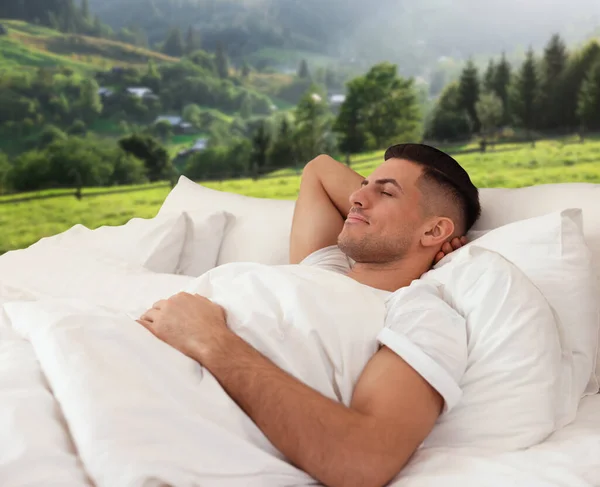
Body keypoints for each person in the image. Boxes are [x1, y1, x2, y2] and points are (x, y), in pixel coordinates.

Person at [137, 143, 481, 487]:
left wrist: (209, 339)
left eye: (387, 192)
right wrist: (403, 217)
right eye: (363, 185)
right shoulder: (325, 267)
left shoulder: (418, 313)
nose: (356, 199)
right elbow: (319, 169)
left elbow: (365, 459)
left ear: (436, 230)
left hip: (158, 410)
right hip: (125, 355)